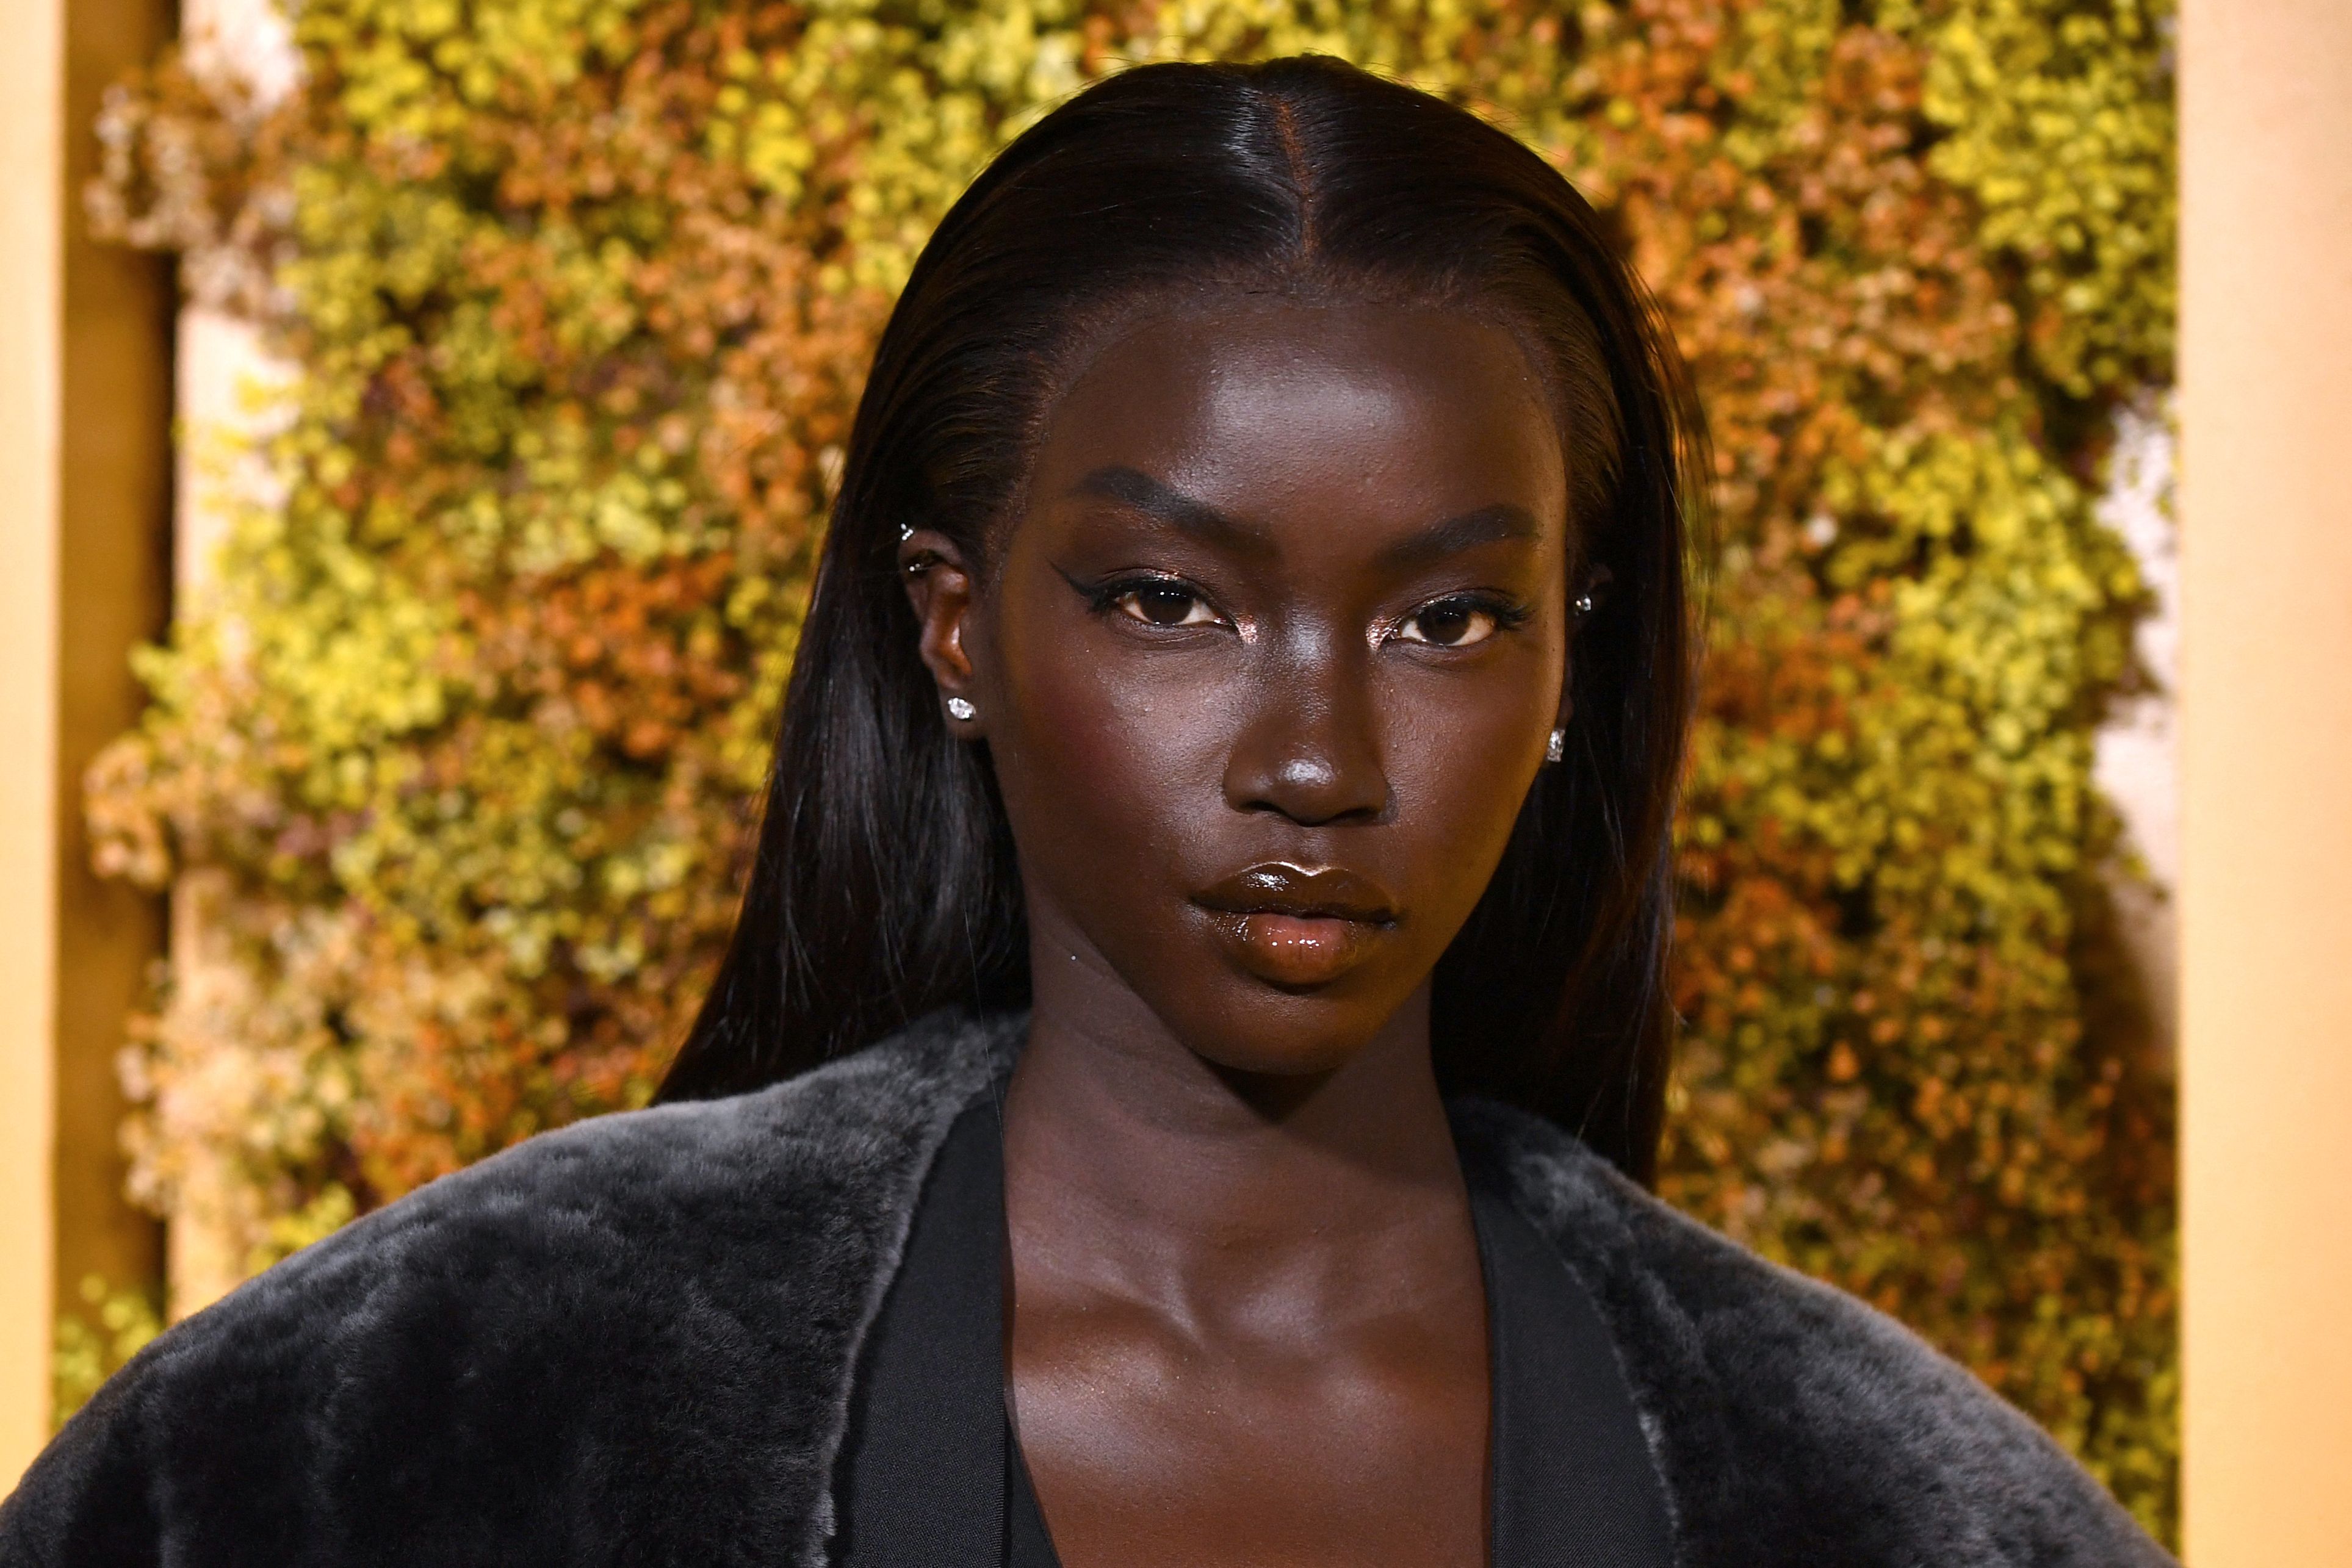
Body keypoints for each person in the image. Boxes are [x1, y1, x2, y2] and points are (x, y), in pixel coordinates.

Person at [2, 56, 2170, 1568]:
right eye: (1169, 600)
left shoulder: (1911, 1509)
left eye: (1444, 620)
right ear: (952, 625)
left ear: (1568, 669)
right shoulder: (421, 1419)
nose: (1315, 757)